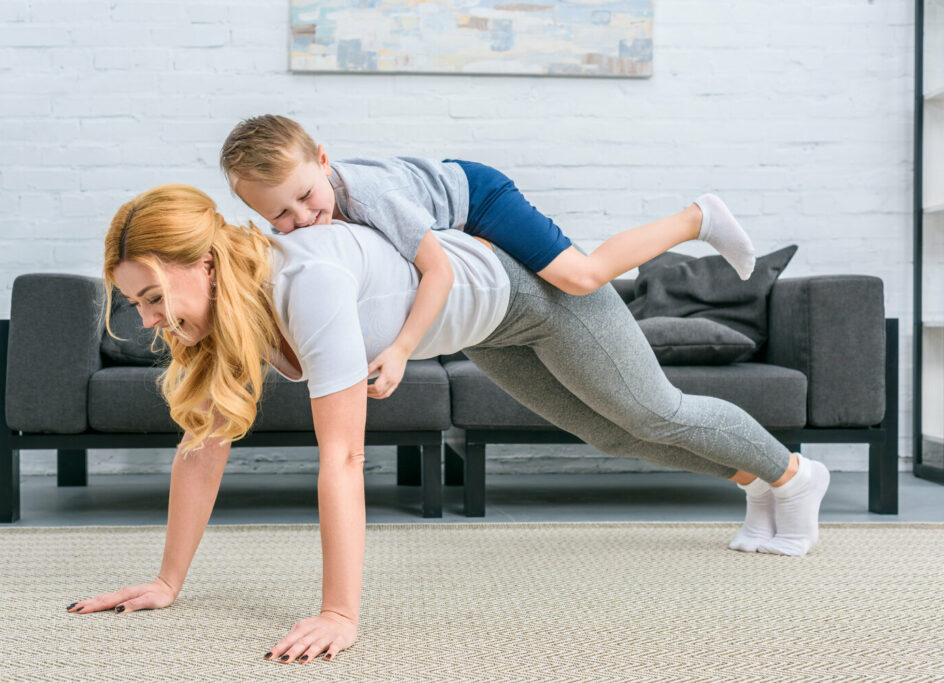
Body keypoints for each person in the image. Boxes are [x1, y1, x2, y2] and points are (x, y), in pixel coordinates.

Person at [67, 184, 830, 665]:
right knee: (610, 432)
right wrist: (168, 582)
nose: (149, 319)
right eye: (136, 303)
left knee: (650, 409)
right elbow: (202, 448)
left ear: (203, 263)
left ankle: (794, 475)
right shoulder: (233, 306)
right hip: (483, 324)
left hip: (533, 294)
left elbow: (341, 460)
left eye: (155, 296)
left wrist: (340, 613)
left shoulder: (308, 285)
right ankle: (760, 478)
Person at [219, 115, 757, 399]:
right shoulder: (314, 212)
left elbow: (440, 270)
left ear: (323, 161)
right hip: (452, 217)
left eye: (306, 197)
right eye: (279, 216)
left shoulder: (368, 194)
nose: (302, 218)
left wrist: (403, 349)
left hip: (475, 195)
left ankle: (696, 217)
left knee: (581, 276)